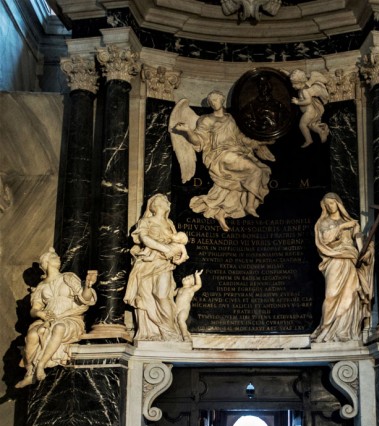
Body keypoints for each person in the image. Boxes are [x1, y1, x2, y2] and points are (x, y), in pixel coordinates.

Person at [172, 90, 275, 232]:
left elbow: (241, 138)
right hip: (220, 155)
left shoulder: (231, 118)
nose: (214, 103)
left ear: (222, 101)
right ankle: (249, 205)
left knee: (250, 177)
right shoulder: (206, 120)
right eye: (211, 101)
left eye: (216, 100)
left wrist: (260, 142)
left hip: (237, 151)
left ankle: (222, 212)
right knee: (255, 171)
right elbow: (198, 140)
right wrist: (187, 131)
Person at [15, 248, 97, 388]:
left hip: (69, 317)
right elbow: (34, 309)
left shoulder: (68, 277)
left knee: (59, 328)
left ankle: (41, 365)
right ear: (45, 263)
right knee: (33, 335)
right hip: (47, 318)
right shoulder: (41, 286)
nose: (58, 258)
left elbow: (85, 299)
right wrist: (40, 314)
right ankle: (29, 370)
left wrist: (88, 286)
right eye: (54, 257)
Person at [311, 193, 374, 342]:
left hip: (350, 261)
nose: (329, 207)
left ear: (338, 204)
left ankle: (343, 330)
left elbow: (360, 242)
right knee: (331, 295)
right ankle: (326, 327)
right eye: (326, 205)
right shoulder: (323, 222)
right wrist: (342, 227)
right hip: (334, 260)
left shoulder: (351, 223)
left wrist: (367, 251)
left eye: (331, 203)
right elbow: (325, 239)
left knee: (350, 294)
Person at [124, 194, 188, 341]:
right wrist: (166, 249)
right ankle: (154, 332)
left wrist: (179, 255)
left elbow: (179, 242)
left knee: (161, 294)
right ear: (156, 205)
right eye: (165, 201)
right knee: (146, 297)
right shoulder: (145, 221)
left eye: (167, 201)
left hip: (164, 263)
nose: (168, 204)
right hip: (147, 262)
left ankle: (170, 331)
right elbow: (144, 239)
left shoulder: (170, 223)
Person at [289, 69, 330, 148]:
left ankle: (309, 140)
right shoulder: (302, 89)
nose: (292, 86)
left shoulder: (304, 91)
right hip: (309, 111)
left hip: (309, 112)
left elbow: (308, 101)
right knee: (311, 125)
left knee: (302, 125)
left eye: (294, 84)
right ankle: (321, 132)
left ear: (300, 82)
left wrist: (297, 102)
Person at [174, 269, 203, 341]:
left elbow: (199, 285)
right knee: (175, 322)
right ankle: (180, 334)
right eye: (185, 277)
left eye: (188, 278)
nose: (185, 278)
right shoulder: (178, 289)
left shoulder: (191, 289)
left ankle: (185, 336)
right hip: (175, 308)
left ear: (192, 283)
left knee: (181, 320)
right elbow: (170, 294)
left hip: (184, 309)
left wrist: (197, 276)